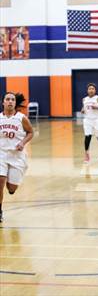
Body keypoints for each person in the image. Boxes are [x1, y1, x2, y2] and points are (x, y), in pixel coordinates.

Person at [0, 92, 34, 222]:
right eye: (7, 99)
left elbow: (30, 132)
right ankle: (0, 211)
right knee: (0, 181)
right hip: (1, 154)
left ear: (15, 103)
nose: (10, 102)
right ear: (3, 102)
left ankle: (10, 180)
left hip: (16, 156)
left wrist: (22, 142)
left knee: (11, 188)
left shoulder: (21, 118)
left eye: (12, 100)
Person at [81, 83, 98, 163]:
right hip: (87, 120)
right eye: (90, 89)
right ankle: (87, 154)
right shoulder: (84, 99)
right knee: (87, 136)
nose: (91, 90)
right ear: (87, 90)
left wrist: (97, 107)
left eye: (93, 89)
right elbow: (83, 108)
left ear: (95, 90)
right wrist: (82, 110)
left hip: (97, 120)